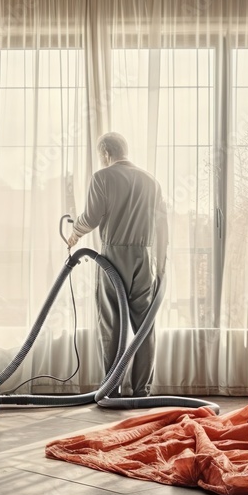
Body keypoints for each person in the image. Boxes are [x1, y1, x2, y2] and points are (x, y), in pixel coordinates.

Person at [67, 132, 168, 397]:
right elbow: (162, 228)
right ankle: (141, 391)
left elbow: (90, 218)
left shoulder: (103, 177)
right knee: (145, 325)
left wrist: (75, 234)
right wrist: (160, 266)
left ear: (105, 153)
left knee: (111, 323)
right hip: (145, 258)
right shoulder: (151, 181)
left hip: (113, 256)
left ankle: (110, 389)